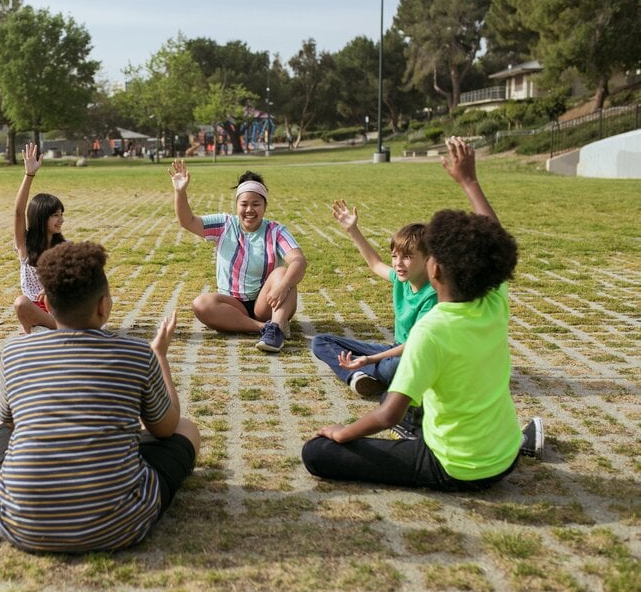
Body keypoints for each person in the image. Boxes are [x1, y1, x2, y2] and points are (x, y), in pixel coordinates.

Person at [301, 137, 544, 491]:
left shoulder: (431, 330)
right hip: (505, 455)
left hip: (457, 468)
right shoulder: (492, 301)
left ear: (436, 272)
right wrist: (469, 182)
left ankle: (417, 439)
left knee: (317, 452)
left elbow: (388, 416)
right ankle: (519, 440)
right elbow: (494, 240)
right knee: (403, 398)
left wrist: (341, 433)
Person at [0, 241, 200, 553]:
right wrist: (160, 357)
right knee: (187, 429)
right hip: (119, 525)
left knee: (1, 425)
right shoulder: (137, 353)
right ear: (104, 306)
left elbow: (9, 422)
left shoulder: (15, 352)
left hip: (20, 524)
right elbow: (166, 428)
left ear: (45, 302)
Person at [169, 160, 307, 352]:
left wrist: (283, 287)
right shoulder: (225, 224)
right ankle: (267, 328)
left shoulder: (275, 230)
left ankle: (275, 326)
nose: (249, 210)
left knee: (284, 273)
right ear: (237, 205)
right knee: (201, 303)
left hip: (266, 302)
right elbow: (188, 221)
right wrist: (180, 192)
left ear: (264, 207)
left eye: (256, 204)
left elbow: (298, 260)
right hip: (232, 305)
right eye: (244, 204)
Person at [310, 208, 436, 397]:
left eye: (407, 257)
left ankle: (360, 372)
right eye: (394, 256)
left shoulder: (432, 295)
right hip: (394, 349)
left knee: (392, 366)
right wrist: (353, 230)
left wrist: (369, 359)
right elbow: (375, 264)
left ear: (428, 259)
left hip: (415, 356)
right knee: (320, 342)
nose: (398, 263)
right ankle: (358, 376)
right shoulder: (402, 279)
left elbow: (415, 345)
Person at [12, 143, 64, 333]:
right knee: (20, 303)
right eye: (56, 215)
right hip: (36, 309)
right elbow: (18, 213)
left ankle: (52, 329)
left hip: (60, 307)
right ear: (41, 217)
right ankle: (61, 330)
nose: (61, 220)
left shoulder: (65, 247)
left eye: (61, 214)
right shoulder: (25, 246)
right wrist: (29, 175)